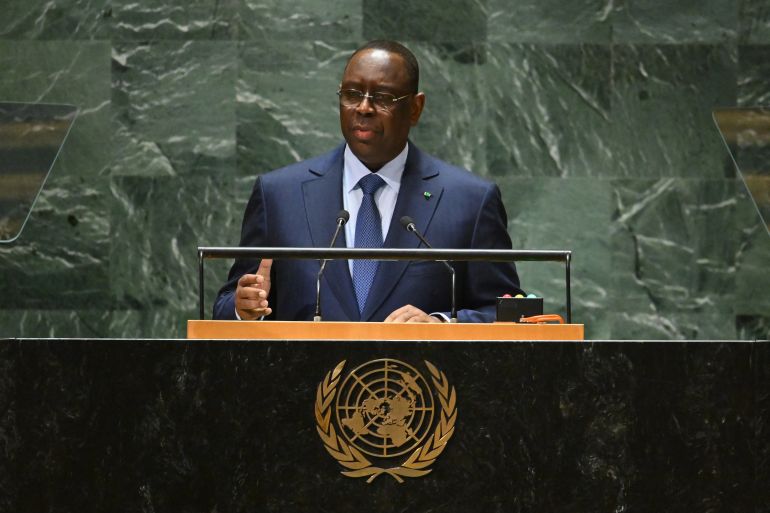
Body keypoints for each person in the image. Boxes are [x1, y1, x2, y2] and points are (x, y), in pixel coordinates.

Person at [214, 40, 522, 323]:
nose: (363, 108)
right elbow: (226, 306)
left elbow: (507, 312)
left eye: (384, 97)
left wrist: (441, 324)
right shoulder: (280, 195)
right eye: (351, 94)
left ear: (415, 108)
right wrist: (244, 308)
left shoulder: (469, 201)